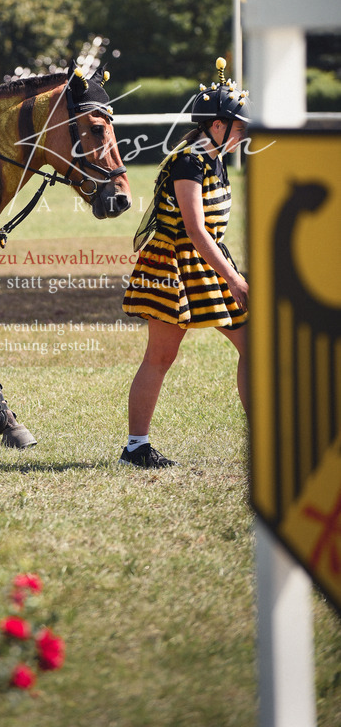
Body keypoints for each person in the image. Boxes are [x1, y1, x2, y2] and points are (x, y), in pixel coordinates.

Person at [119, 58, 251, 468]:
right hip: (172, 265)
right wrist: (233, 278)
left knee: (255, 344)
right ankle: (135, 448)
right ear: (217, 125)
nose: (245, 134)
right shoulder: (189, 161)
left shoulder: (214, 158)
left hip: (206, 262)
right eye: (240, 127)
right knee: (160, 357)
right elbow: (195, 230)